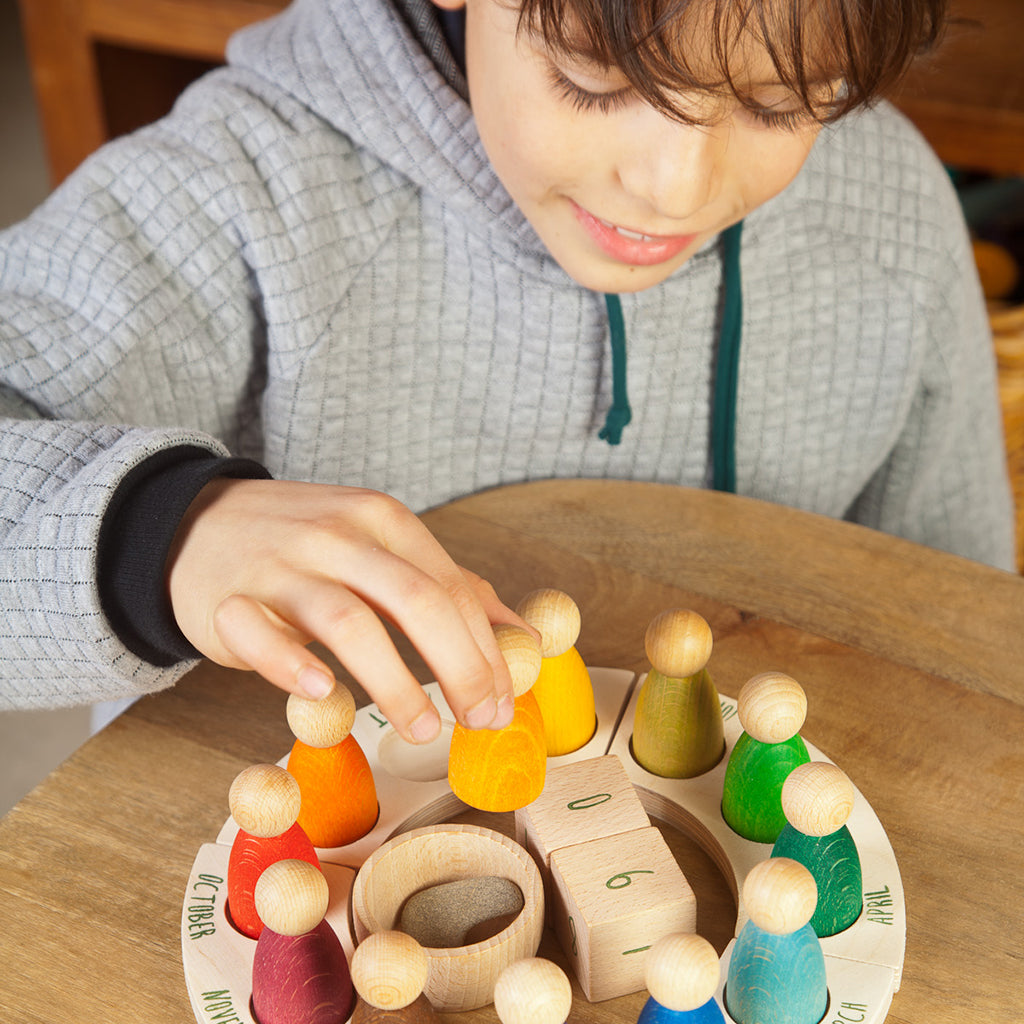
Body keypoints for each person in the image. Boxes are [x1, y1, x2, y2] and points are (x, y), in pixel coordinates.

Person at [0, 0, 1014, 737]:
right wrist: (157, 533)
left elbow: (959, 622)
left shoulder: (890, 209)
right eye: (596, 81)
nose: (672, 185)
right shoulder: (235, 188)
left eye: (781, 104)